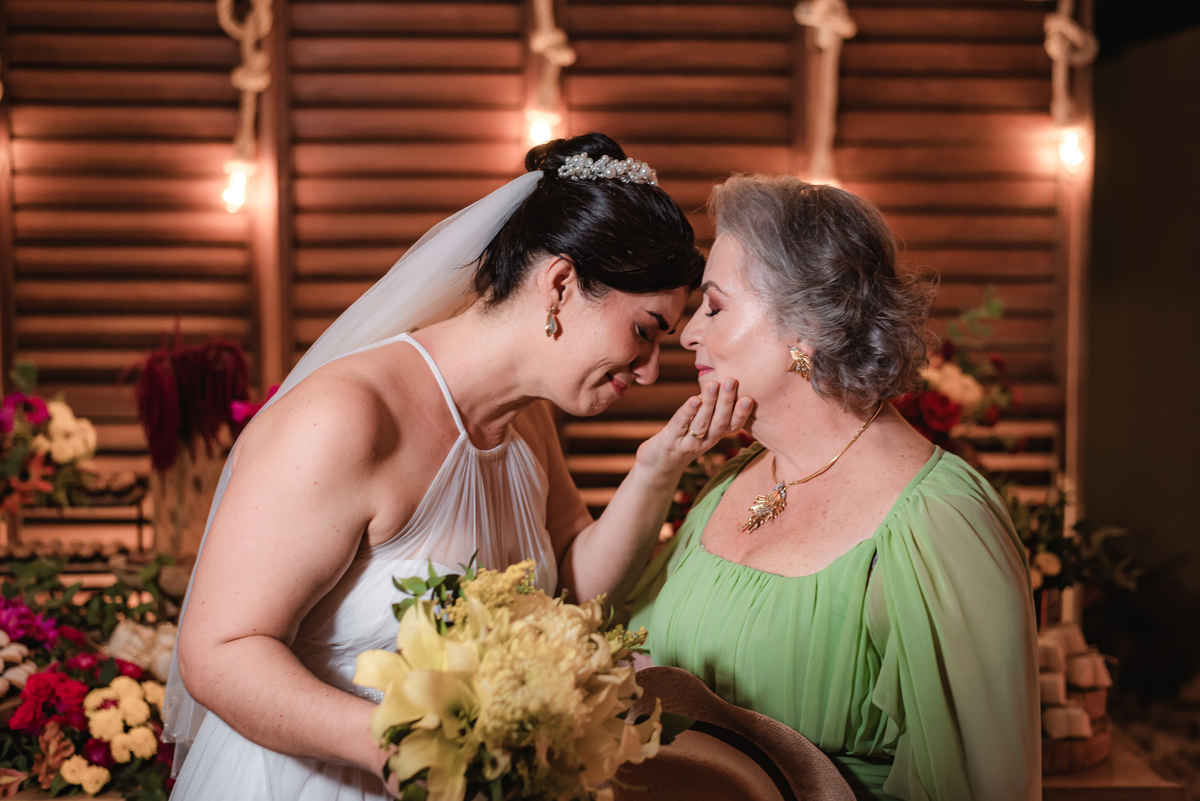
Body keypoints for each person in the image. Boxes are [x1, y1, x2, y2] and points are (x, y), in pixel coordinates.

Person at [164, 133, 754, 800]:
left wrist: (658, 466)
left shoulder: (525, 421)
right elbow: (219, 650)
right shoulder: (348, 417)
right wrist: (400, 746)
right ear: (560, 284)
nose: (649, 371)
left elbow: (576, 589)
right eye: (645, 330)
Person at [625, 175, 1040, 800]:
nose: (688, 334)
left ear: (808, 324)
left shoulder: (941, 522)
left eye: (714, 305)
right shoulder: (729, 481)